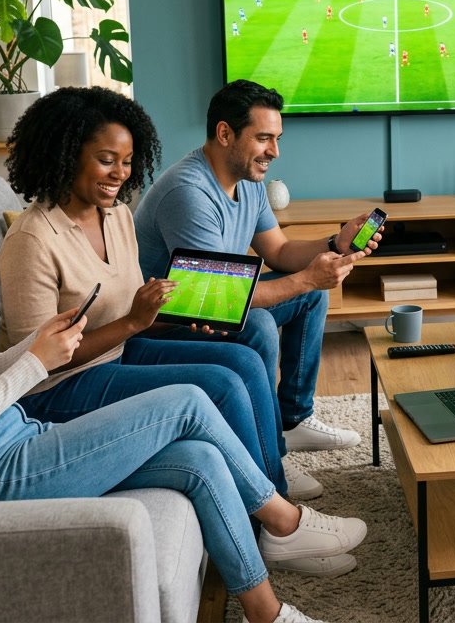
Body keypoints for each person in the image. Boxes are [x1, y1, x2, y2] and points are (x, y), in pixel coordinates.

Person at [0, 130, 368, 623]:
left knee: (200, 457)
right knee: (186, 400)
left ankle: (264, 612)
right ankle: (282, 521)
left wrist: (40, 344)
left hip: (16, 430)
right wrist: (36, 362)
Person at [0, 88, 342, 566]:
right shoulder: (32, 240)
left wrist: (190, 313)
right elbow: (42, 362)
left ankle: (272, 482)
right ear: (66, 155)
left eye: (127, 161)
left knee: (239, 357)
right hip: (60, 386)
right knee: (225, 374)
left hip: (120, 348)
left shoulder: (114, 215)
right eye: (106, 160)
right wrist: (138, 320)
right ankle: (275, 519)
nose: (121, 174)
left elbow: (141, 297)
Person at [135, 80, 381, 454]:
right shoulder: (189, 193)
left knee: (310, 295)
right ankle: (268, 453)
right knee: (262, 322)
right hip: (163, 324)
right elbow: (218, 299)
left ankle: (292, 421)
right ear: (224, 133)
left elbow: (278, 251)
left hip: (211, 302)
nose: (275, 151)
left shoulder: (247, 179)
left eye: (277, 138)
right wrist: (308, 278)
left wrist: (336, 242)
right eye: (264, 137)